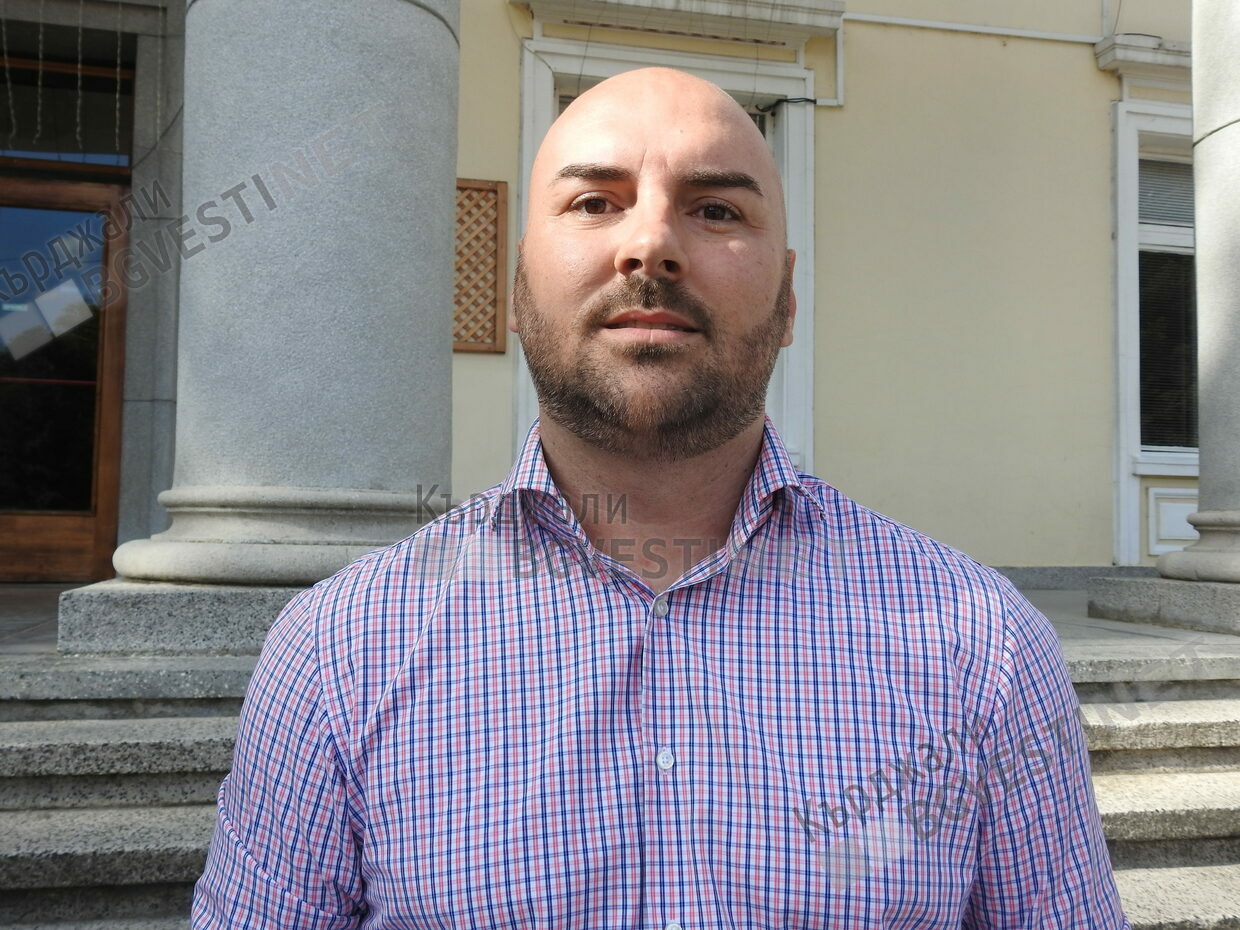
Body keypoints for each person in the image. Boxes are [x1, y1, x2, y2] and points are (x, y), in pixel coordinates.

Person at [192, 67, 1129, 928]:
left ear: (788, 298)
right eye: (595, 203)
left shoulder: (982, 648)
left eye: (716, 210)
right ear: (518, 288)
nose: (650, 245)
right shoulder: (338, 653)